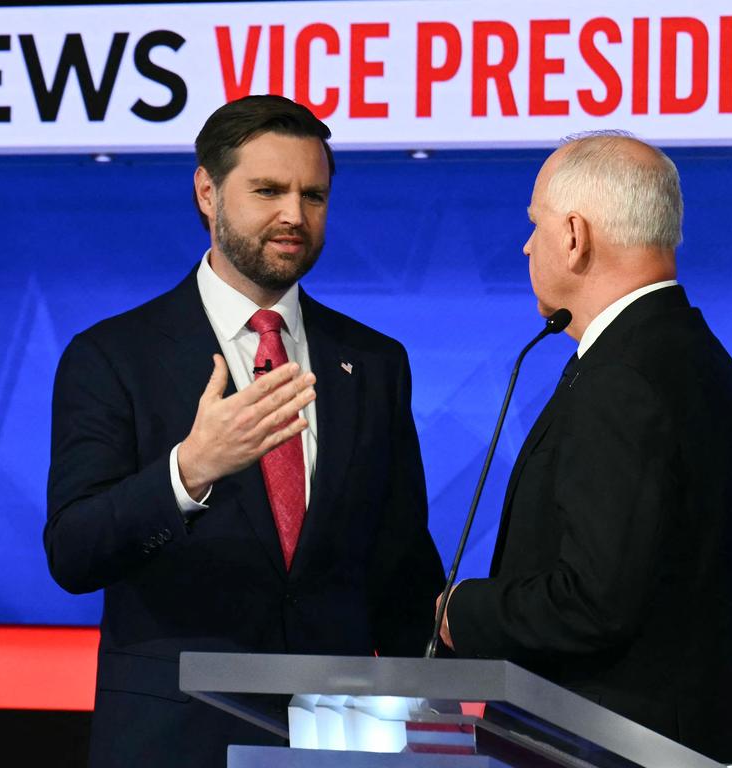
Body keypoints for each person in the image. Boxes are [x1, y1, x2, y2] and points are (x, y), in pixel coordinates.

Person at [45, 96, 445, 768]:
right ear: (207, 191)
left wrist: (435, 720)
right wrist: (189, 471)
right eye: (268, 190)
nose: (295, 214)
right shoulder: (113, 355)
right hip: (171, 743)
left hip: (337, 745)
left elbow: (400, 563)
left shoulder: (375, 362)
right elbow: (74, 552)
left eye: (313, 194)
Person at [439, 133, 732, 768]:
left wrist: (463, 611)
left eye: (535, 225)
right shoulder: (699, 360)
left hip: (601, 747)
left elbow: (592, 603)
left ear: (574, 236)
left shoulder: (623, 380)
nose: (527, 245)